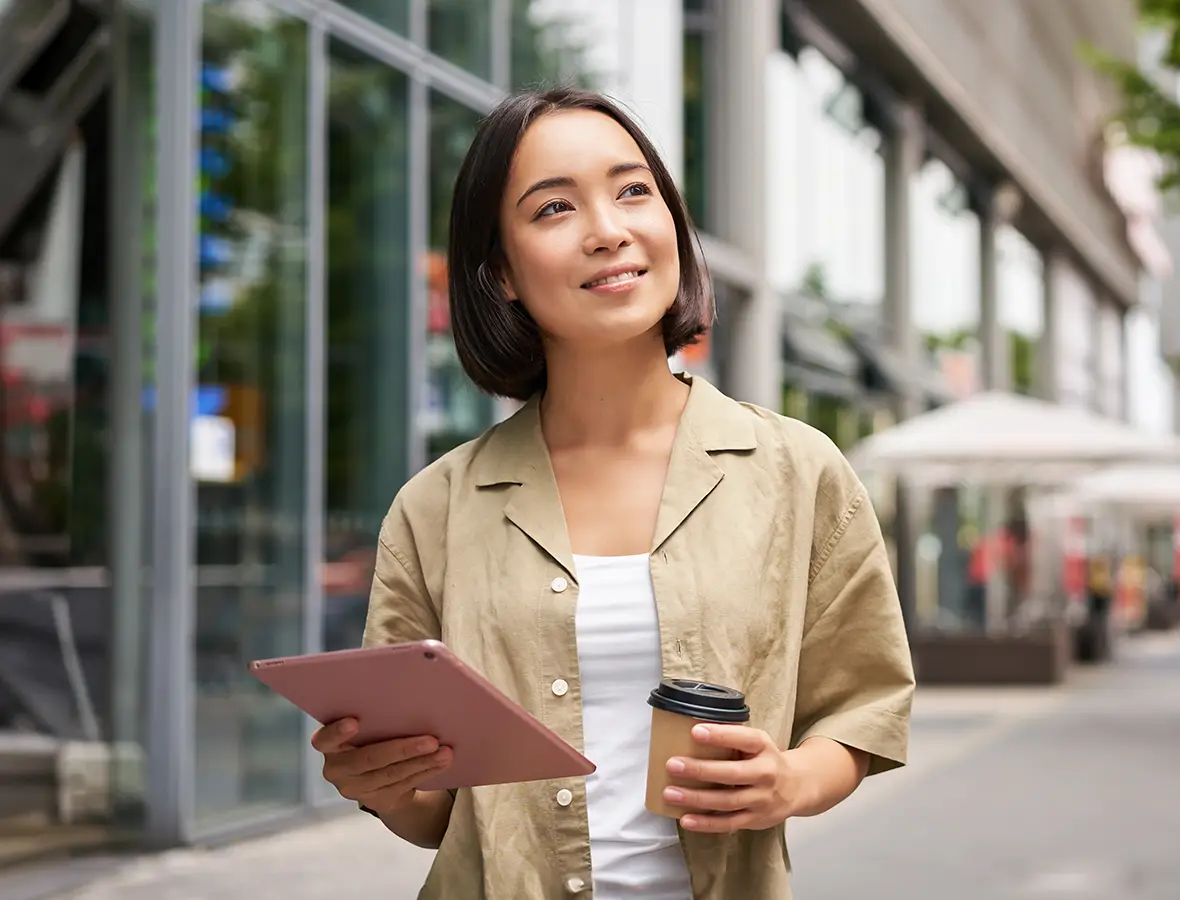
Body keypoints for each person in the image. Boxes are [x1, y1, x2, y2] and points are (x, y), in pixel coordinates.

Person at [311, 87, 914, 899]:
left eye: (634, 191)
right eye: (554, 209)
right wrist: (384, 784)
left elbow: (864, 705)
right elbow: (433, 810)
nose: (609, 230)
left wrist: (790, 781)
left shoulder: (796, 470)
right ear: (502, 272)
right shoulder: (436, 507)